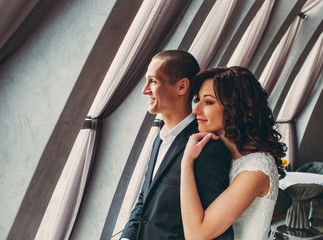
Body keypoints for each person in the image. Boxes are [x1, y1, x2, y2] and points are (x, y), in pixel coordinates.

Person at [120, 50, 233, 240]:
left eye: (153, 81)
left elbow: (218, 232)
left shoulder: (207, 147)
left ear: (182, 86)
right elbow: (145, 199)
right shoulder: (160, 139)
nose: (145, 89)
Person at [180, 66, 286, 240]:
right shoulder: (222, 157)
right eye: (197, 100)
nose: (195, 110)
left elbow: (196, 235)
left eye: (208, 102)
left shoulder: (257, 168)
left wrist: (186, 163)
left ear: (234, 107)